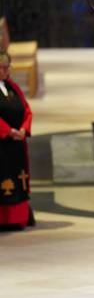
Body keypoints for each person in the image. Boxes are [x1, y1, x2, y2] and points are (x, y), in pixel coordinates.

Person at [0, 51, 33, 230]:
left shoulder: (12, 86)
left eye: (8, 67)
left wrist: (23, 129)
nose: (7, 71)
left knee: (19, 178)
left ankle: (18, 217)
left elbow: (27, 109)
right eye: (3, 67)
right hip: (2, 143)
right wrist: (8, 131)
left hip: (17, 143)